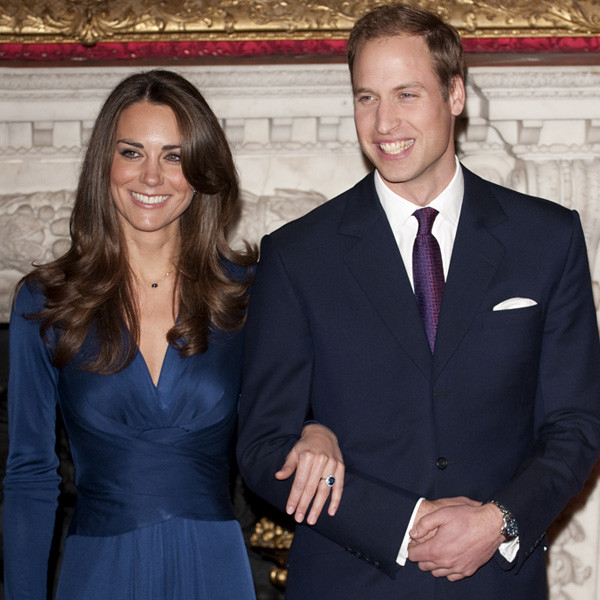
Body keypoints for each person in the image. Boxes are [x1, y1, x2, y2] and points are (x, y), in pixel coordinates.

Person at [236, 4, 600, 599]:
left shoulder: (547, 239)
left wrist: (495, 522)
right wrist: (401, 525)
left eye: (406, 94)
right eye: (366, 98)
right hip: (349, 580)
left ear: (455, 94)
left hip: (496, 581)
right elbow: (262, 445)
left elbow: (576, 423)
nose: (384, 123)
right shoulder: (298, 255)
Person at [3, 69, 343, 599]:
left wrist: (319, 429)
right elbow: (30, 475)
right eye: (132, 152)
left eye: (175, 156)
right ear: (105, 165)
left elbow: (304, 409)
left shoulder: (250, 293)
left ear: (203, 171)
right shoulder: (46, 300)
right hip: (97, 573)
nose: (152, 177)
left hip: (216, 571)